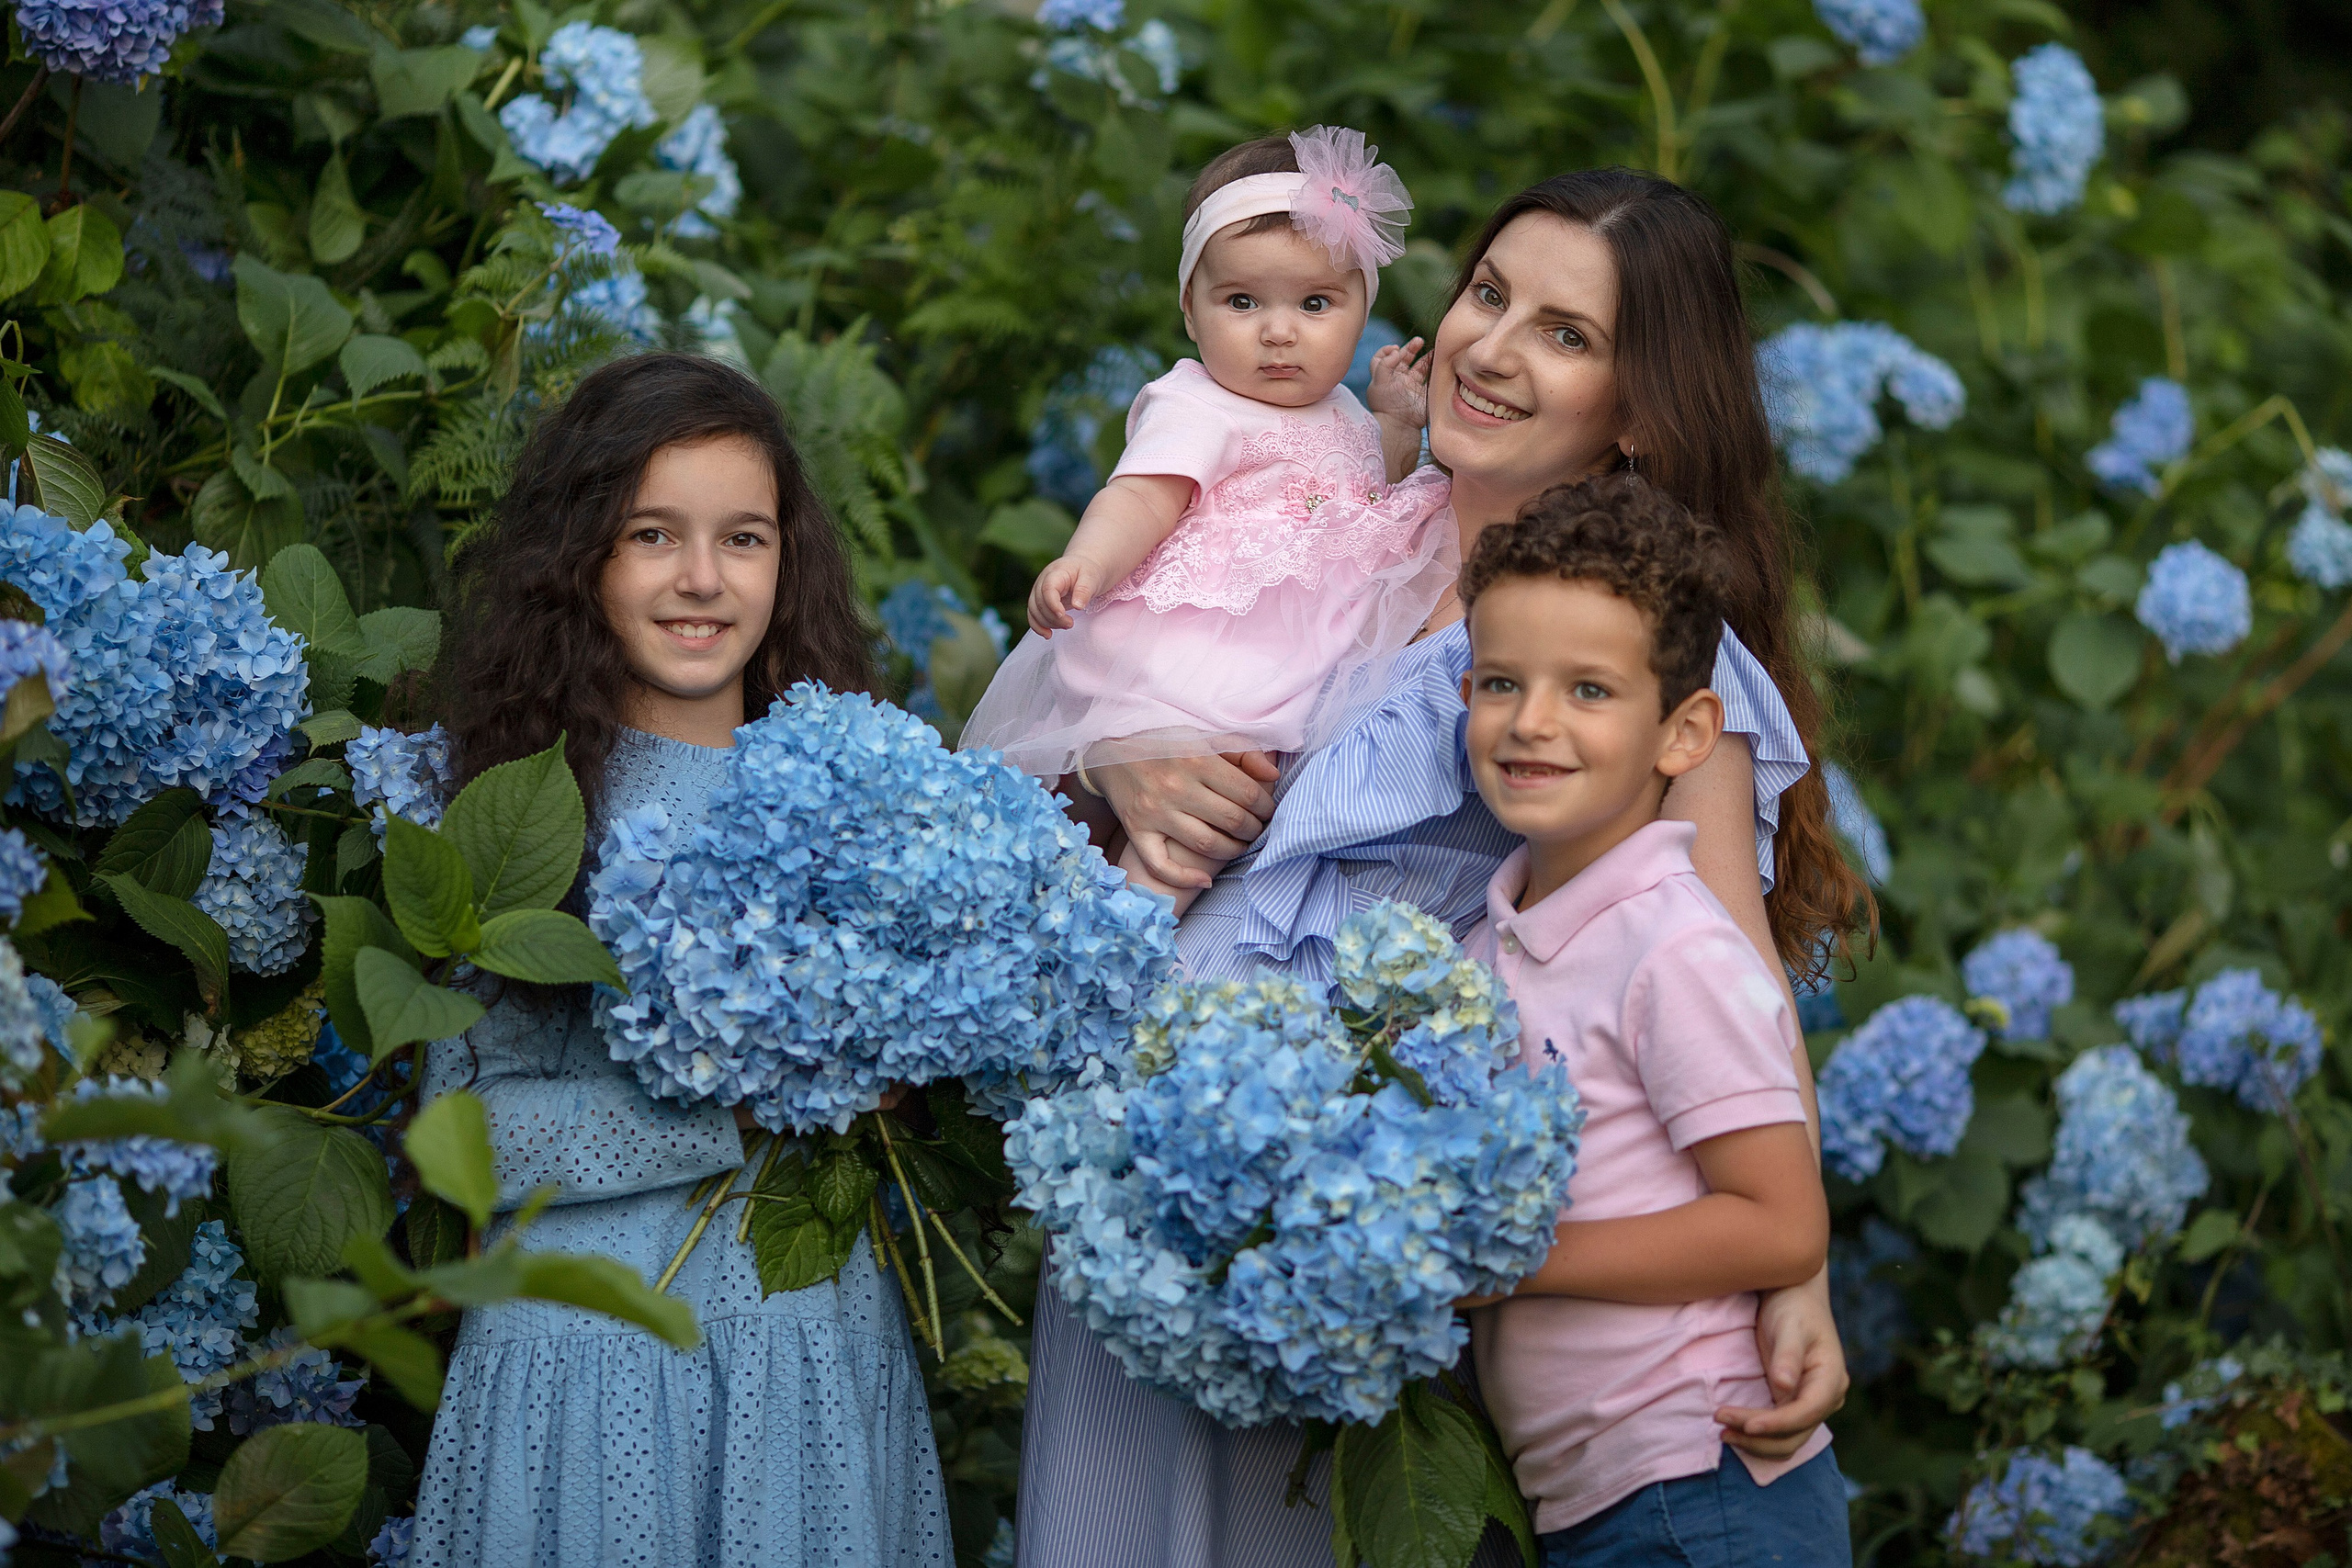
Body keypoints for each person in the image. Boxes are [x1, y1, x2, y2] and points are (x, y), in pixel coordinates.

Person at [1016, 168, 1863, 1568]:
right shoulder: (1344, 522)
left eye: (1566, 334)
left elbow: (1733, 978)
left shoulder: (1629, 650)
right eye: (1487, 294)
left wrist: (1797, 1270)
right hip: (1151, 1185)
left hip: (1346, 1233)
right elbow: (1084, 706)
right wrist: (1121, 756)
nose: (1492, 346)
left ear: (1641, 412)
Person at [409, 353, 950, 1568]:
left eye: (743, 538)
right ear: (581, 557)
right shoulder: (523, 806)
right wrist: (735, 1106)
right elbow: (463, 1140)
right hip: (585, 1369)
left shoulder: (867, 797)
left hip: (804, 1357)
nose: (702, 578)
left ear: (787, 561)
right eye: (652, 534)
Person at [1456, 475, 1847, 1566]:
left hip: (1704, 1478)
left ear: (1684, 734)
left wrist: (1505, 1259)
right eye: (1501, 682)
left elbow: (1779, 1225)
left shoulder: (1671, 949)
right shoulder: (1488, 947)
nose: (1531, 721)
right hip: (1594, 1495)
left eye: (1588, 690)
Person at [961, 127, 1454, 911]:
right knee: (1133, 830)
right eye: (1242, 302)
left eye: (1316, 303)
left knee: (1210, 821)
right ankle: (1093, 935)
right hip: (1190, 662)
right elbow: (1141, 496)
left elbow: (1372, 495)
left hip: (1283, 672)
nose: (1279, 331)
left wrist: (1395, 425)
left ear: (1362, 310)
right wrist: (1088, 560)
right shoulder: (1199, 404)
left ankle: (1109, 933)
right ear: (1191, 310)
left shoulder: (1345, 411)